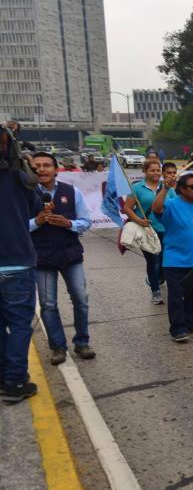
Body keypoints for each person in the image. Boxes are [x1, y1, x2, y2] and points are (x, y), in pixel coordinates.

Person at [28, 152, 95, 365]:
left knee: (81, 300)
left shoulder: (71, 192)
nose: (41, 169)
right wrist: (37, 221)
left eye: (46, 165)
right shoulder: (25, 195)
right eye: (37, 166)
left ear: (56, 169)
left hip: (70, 254)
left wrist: (68, 224)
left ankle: (82, 342)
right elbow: (17, 226)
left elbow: (86, 221)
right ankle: (58, 347)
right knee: (48, 305)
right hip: (42, 257)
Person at [0, 125, 42, 403]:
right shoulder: (18, 176)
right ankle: (15, 380)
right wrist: (30, 174)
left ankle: (5, 374)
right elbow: (35, 206)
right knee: (19, 324)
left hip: (15, 262)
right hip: (16, 262)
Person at [152, 172, 193, 343]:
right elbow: (156, 209)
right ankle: (178, 328)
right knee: (177, 296)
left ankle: (191, 321)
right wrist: (165, 188)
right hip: (176, 260)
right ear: (182, 189)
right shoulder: (171, 204)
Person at [124, 159, 176, 304]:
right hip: (147, 231)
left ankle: (159, 279)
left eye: (158, 170)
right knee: (153, 262)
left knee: (166, 262)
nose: (156, 173)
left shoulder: (168, 188)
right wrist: (138, 220)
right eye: (152, 170)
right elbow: (127, 208)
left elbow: (175, 207)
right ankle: (155, 291)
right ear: (145, 172)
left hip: (166, 231)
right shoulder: (137, 188)